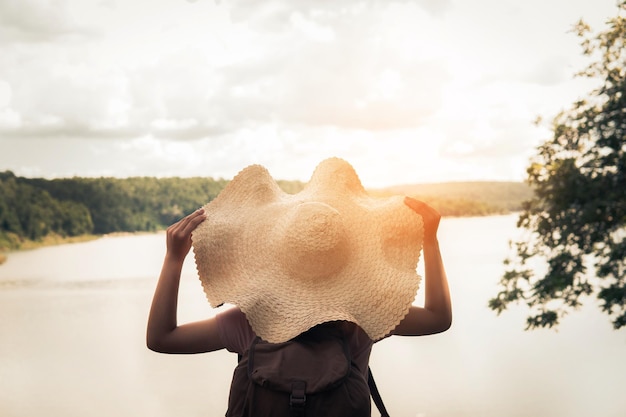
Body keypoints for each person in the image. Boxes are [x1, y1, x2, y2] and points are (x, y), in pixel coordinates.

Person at [147, 195, 451, 410]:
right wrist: (430, 241)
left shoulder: (249, 323)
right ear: (350, 257)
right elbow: (438, 318)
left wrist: (173, 259)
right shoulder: (360, 320)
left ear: (274, 255)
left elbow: (162, 338)